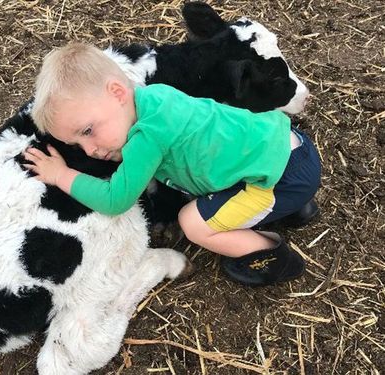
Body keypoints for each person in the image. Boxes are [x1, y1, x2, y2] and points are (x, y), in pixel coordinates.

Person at [24, 42, 321, 287]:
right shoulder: (155, 97)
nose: (89, 150)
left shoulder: (147, 139)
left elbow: (115, 199)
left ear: (117, 92)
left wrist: (62, 175)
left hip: (276, 182)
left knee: (193, 223)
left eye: (88, 131)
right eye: (77, 144)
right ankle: (298, 209)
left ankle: (272, 259)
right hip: (293, 147)